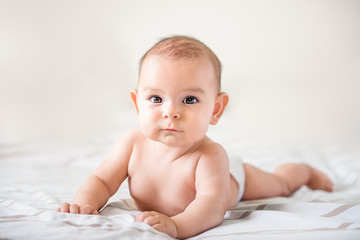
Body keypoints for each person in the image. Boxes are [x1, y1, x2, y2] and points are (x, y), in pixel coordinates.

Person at [57, 36, 333, 239]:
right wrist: (86, 202)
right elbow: (102, 180)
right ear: (137, 103)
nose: (171, 112)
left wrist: (178, 226)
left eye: (189, 99)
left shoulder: (210, 156)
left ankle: (302, 172)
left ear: (215, 109)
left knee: (280, 186)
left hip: (233, 180)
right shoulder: (131, 144)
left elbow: (212, 205)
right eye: (156, 98)